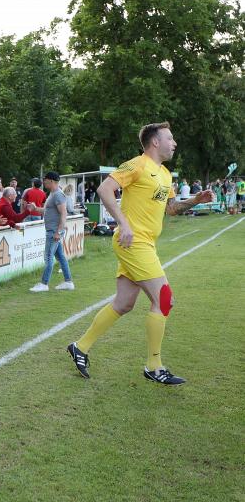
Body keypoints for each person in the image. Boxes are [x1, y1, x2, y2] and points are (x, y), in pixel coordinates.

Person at [68, 122, 214, 385]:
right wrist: (123, 223)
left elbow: (170, 209)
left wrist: (195, 200)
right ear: (155, 142)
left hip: (146, 244)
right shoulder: (136, 164)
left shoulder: (166, 174)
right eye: (170, 138)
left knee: (124, 303)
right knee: (165, 300)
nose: (175, 143)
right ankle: (154, 366)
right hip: (133, 242)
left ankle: (80, 347)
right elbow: (104, 189)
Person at [30, 172, 74, 292]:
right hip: (53, 231)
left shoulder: (58, 195)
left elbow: (64, 213)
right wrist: (35, 208)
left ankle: (44, 284)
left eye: (46, 180)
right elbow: (46, 210)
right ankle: (68, 282)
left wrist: (58, 232)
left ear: (52, 181)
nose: (43, 182)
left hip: (54, 231)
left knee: (48, 257)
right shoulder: (52, 194)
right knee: (60, 256)